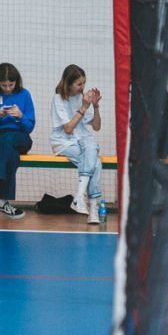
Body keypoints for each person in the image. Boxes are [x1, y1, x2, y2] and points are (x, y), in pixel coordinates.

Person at [0, 63, 36, 219]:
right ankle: (4, 202)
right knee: (9, 151)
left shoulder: (25, 95)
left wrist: (21, 116)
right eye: (4, 85)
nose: (8, 89)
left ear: (16, 82)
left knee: (9, 140)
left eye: (11, 85)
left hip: (20, 137)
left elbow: (30, 127)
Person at [50, 64, 106, 223]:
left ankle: (80, 198)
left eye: (84, 83)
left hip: (83, 140)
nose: (83, 87)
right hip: (64, 142)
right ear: (68, 84)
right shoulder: (58, 99)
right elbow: (68, 129)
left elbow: (96, 127)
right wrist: (84, 107)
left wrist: (95, 107)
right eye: (79, 84)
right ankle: (92, 209)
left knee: (93, 155)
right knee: (95, 162)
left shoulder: (83, 99)